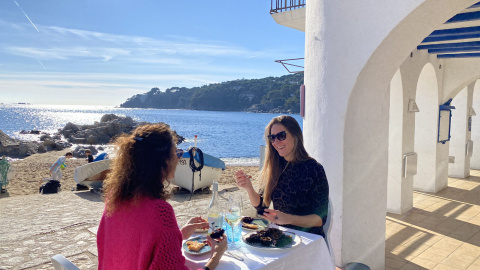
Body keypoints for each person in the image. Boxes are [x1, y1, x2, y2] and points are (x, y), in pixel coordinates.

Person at [97, 124, 227, 270]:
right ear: (164, 161)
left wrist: (176, 235)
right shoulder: (160, 211)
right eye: (176, 153)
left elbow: (136, 243)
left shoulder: (115, 198)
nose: (178, 159)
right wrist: (216, 255)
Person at [235, 115, 329, 237]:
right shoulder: (275, 167)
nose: (276, 142)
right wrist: (248, 188)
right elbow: (262, 207)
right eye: (272, 138)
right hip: (281, 237)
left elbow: (320, 219)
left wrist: (289, 219)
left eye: (281, 136)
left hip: (309, 239)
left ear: (295, 135)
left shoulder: (314, 169)